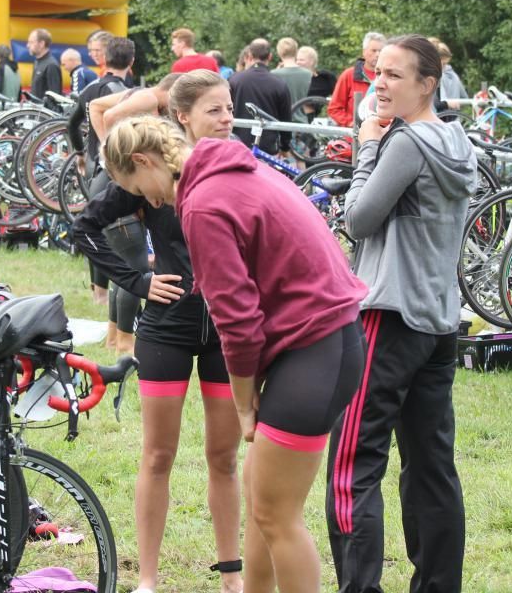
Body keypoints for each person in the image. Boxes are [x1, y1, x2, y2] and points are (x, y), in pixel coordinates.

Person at [103, 114, 366, 593]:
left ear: (144, 161)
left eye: (139, 188)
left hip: (316, 350)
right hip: (323, 341)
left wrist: (245, 403)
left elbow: (238, 326)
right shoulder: (236, 169)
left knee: (276, 513)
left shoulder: (201, 203)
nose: (149, 201)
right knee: (258, 492)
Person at [72, 72, 242, 593]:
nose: (226, 119)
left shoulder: (236, 167)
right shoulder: (151, 176)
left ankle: (232, 575)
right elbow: (82, 227)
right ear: (182, 118)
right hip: (168, 327)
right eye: (215, 110)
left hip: (228, 333)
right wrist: (138, 280)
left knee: (224, 456)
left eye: (229, 108)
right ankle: (147, 578)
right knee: (157, 454)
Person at [330, 35, 476, 593]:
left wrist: (369, 144)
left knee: (352, 464)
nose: (380, 83)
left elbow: (359, 219)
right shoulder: (457, 139)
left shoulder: (407, 141)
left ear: (427, 85)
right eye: (376, 72)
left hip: (387, 316)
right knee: (432, 467)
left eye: (394, 75)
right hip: (437, 320)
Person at [68, 36, 137, 334]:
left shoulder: (90, 88)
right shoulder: (126, 94)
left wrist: (81, 153)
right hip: (115, 167)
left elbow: (72, 123)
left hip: (95, 165)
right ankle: (112, 310)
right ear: (131, 62)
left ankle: (98, 290)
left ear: (104, 59)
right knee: (117, 236)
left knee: (94, 224)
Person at [228, 39, 292, 155]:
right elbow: (285, 118)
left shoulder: (234, 79)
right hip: (267, 146)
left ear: (249, 55)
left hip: (237, 143)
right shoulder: (279, 83)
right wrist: (285, 146)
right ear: (270, 57)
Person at [328, 31, 383, 127]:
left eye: (381, 51)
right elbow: (334, 109)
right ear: (364, 52)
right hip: (353, 137)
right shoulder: (349, 75)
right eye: (374, 51)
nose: (378, 54)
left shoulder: (389, 78)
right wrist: (351, 122)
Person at [272, 36, 311, 105]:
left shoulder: (273, 74)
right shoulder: (308, 73)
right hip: (302, 115)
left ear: (279, 53)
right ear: (296, 52)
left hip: (281, 116)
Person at [27, 28, 61, 103]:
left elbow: (54, 96)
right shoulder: (37, 62)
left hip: (43, 113)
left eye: (31, 42)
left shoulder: (51, 65)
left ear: (42, 43)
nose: (28, 45)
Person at [431, 37, 468, 102]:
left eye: (445, 64)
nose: (444, 67)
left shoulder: (437, 76)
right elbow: (464, 97)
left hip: (442, 111)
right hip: (454, 111)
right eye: (443, 64)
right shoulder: (453, 75)